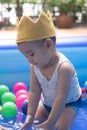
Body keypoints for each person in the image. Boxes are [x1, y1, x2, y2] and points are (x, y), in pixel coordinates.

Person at [16, 10, 82, 130]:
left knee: (61, 126)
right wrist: (30, 116)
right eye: (26, 56)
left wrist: (51, 122)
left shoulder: (64, 68)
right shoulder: (35, 67)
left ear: (48, 45)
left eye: (31, 54)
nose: (29, 60)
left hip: (68, 103)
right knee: (35, 120)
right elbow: (35, 92)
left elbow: (61, 99)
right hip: (48, 104)